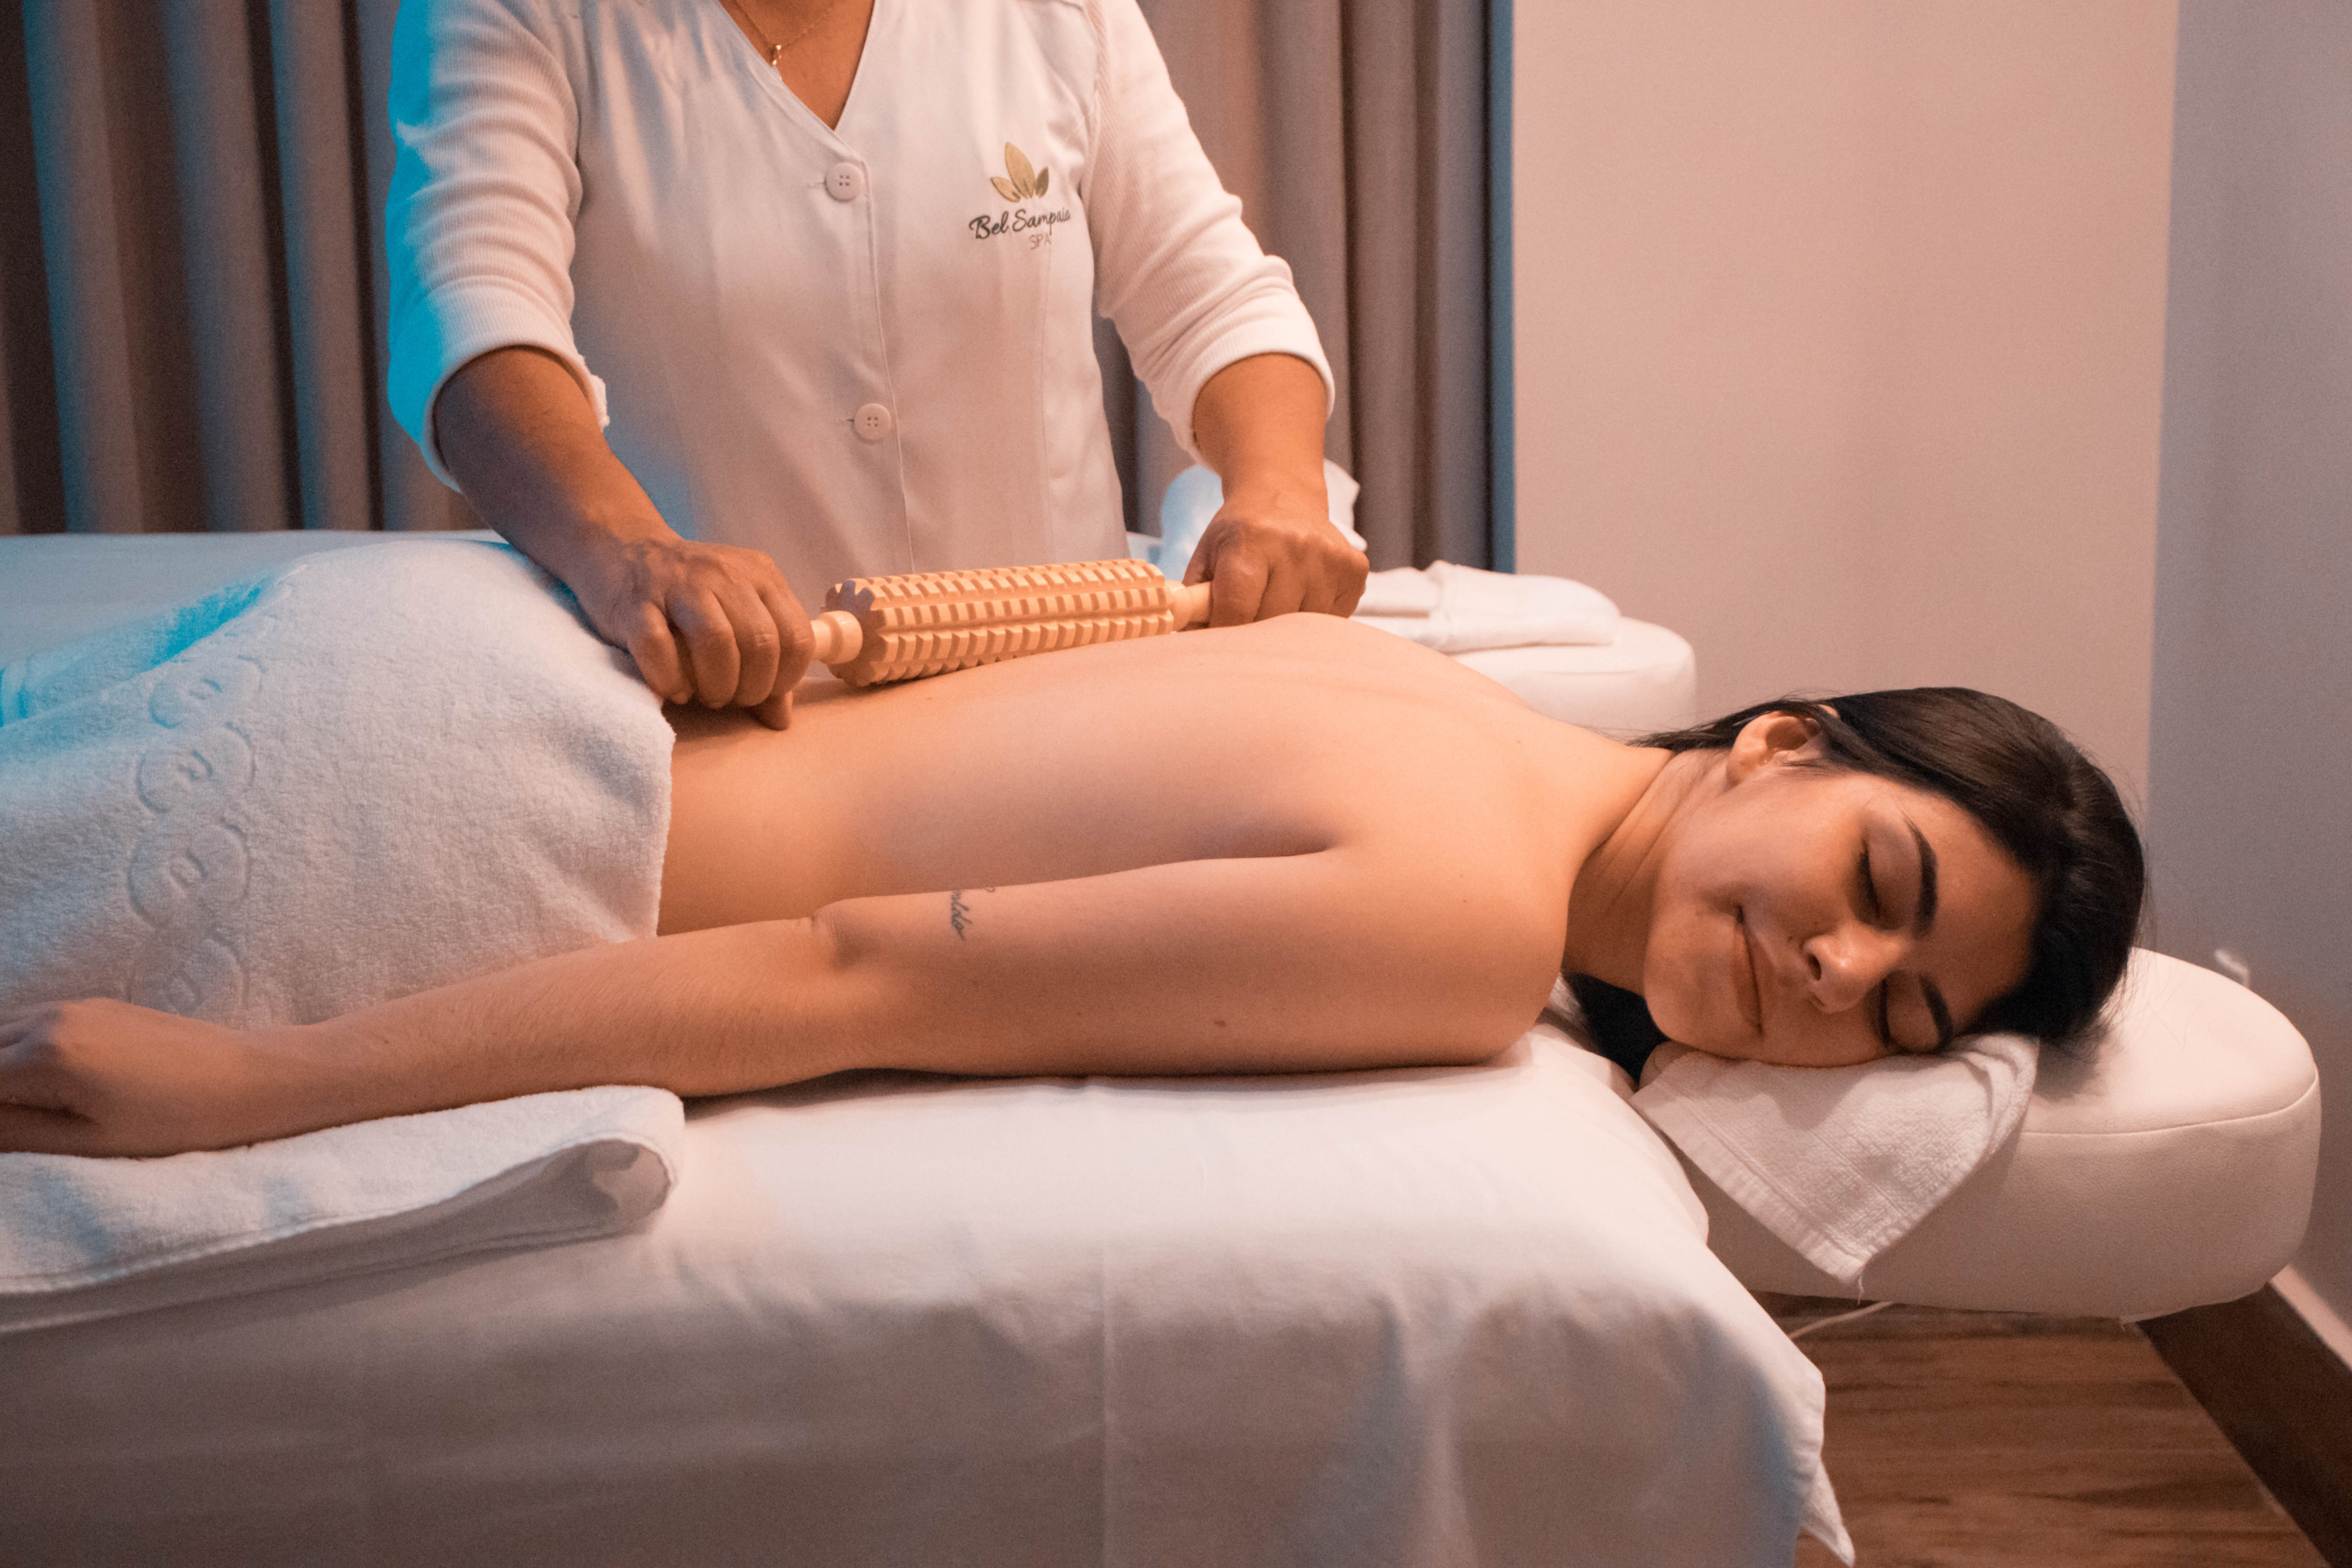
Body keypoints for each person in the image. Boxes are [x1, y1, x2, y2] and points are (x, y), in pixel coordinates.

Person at [0, 614, 2144, 1159]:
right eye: (1877, 879)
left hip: (454, 684)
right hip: (461, 824)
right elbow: (848, 976)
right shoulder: (1469, 923)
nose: (1839, 972)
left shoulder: (1433, 693)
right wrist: (257, 1088)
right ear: (1781, 742)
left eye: (1902, 1012)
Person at [389, 0, 1366, 727]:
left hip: (1075, 704)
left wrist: (1279, 491)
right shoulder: (521, 15)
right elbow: (474, 313)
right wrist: (629, 556)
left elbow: (1212, 296)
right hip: (750, 718)